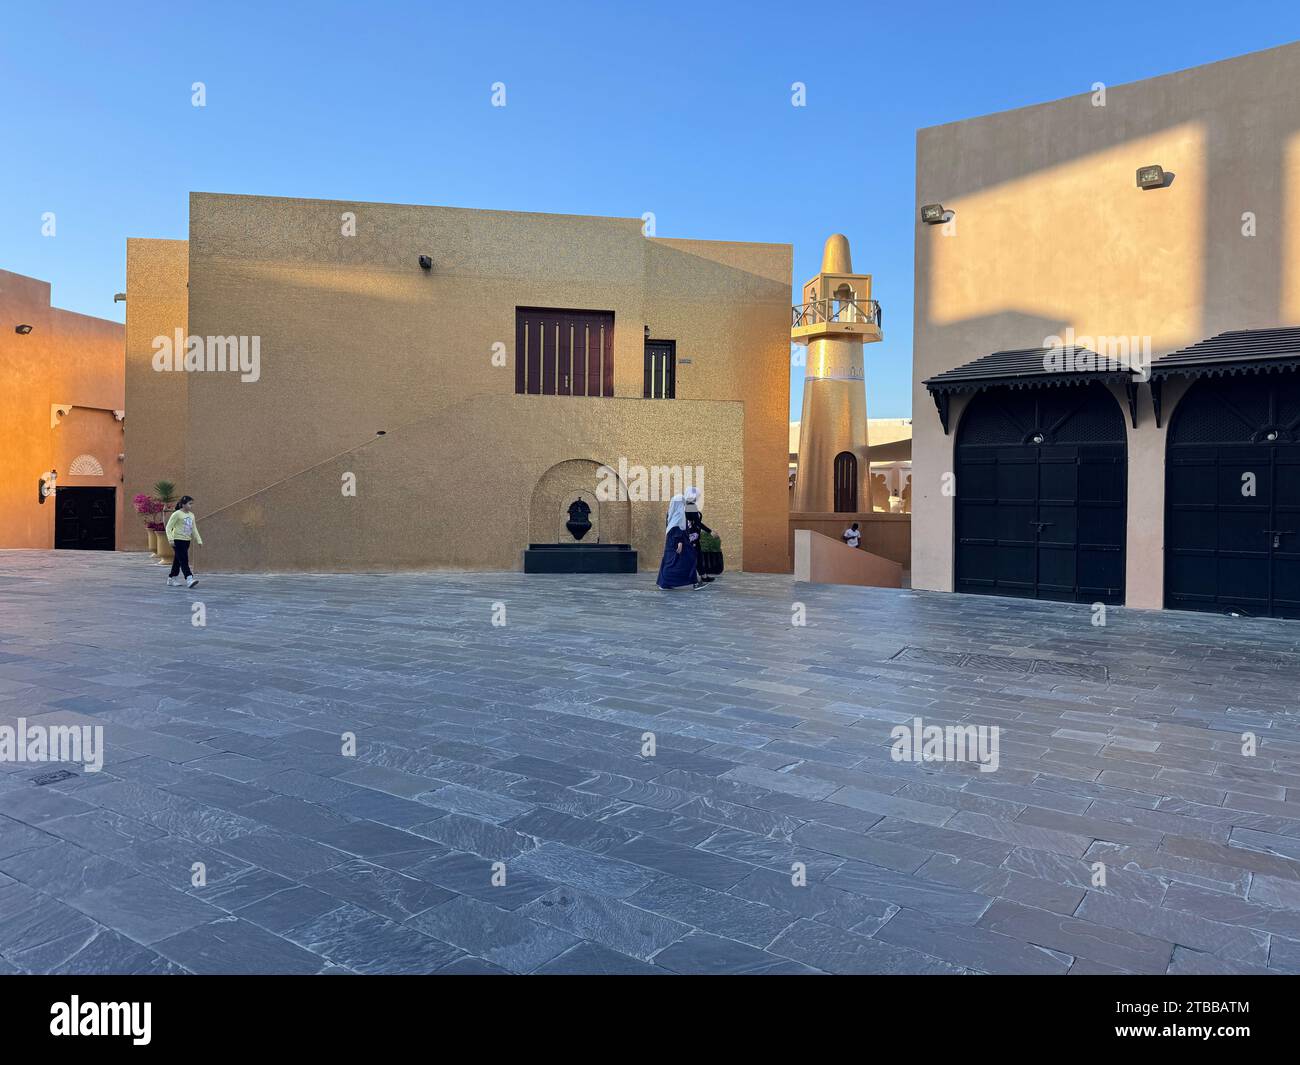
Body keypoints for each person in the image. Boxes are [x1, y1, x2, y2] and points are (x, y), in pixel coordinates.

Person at [656, 494, 704, 591]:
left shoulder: (670, 512)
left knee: (671, 561)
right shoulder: (679, 513)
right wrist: (680, 542)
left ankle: (665, 583)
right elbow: (677, 527)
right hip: (678, 541)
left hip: (671, 541)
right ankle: (694, 582)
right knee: (687, 559)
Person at [165, 495, 203, 588]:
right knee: (184, 559)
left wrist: (199, 540)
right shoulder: (177, 514)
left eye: (192, 504)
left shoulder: (191, 515)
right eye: (189, 504)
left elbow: (194, 528)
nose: (191, 506)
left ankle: (171, 578)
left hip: (187, 540)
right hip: (177, 540)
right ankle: (189, 578)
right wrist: (170, 539)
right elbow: (168, 527)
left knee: (178, 560)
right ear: (183, 504)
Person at [684, 486, 716, 583]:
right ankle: (700, 576)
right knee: (696, 556)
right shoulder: (691, 506)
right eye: (697, 495)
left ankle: (703, 576)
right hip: (692, 537)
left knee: (697, 555)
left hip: (691, 535)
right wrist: (710, 531)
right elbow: (697, 523)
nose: (698, 497)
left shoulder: (687, 505)